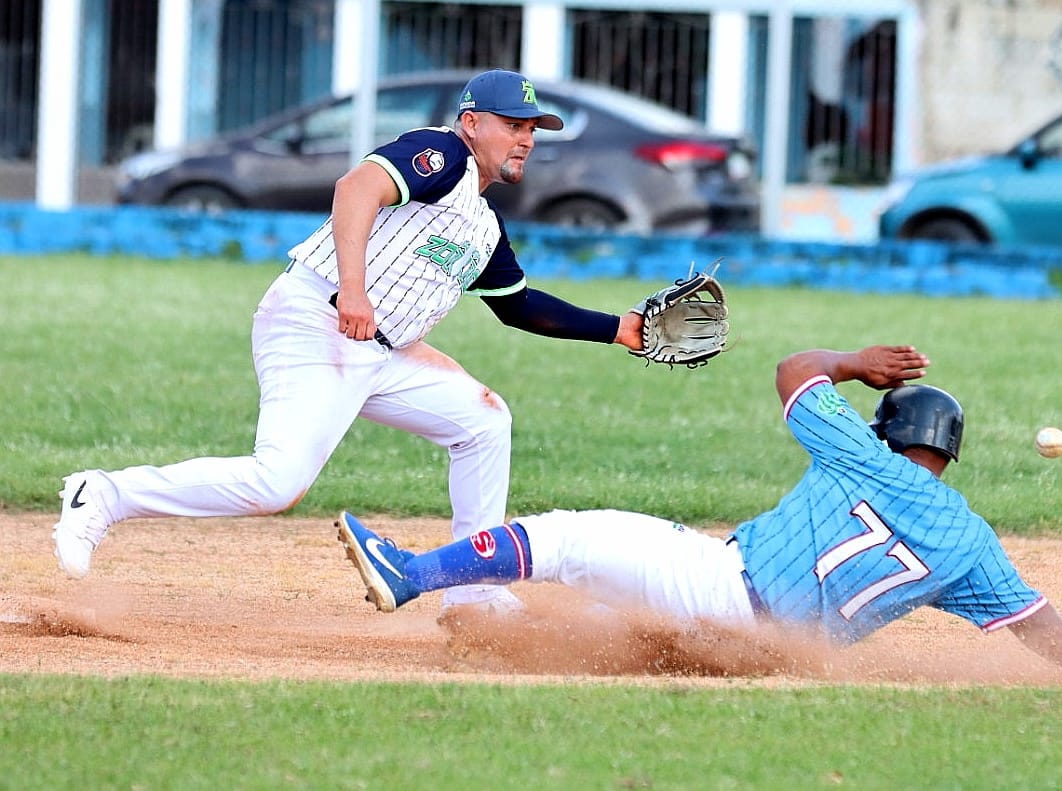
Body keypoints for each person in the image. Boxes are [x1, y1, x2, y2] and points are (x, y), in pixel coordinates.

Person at [53, 69, 644, 615]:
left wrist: (619, 329)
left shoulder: (483, 222)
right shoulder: (438, 155)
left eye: (532, 129)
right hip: (321, 320)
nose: (525, 139)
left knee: (484, 423)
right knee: (277, 482)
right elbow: (355, 188)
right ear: (471, 123)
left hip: (381, 351)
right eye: (512, 125)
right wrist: (355, 290)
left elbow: (519, 306)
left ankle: (471, 592)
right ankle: (103, 494)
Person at [336, 343, 1062, 669]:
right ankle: (495, 632)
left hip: (722, 584)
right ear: (949, 453)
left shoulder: (864, 453)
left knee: (567, 538)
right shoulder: (971, 541)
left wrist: (853, 364)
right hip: (769, 652)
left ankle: (408, 573)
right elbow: (1036, 624)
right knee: (612, 626)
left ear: (887, 432)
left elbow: (795, 371)